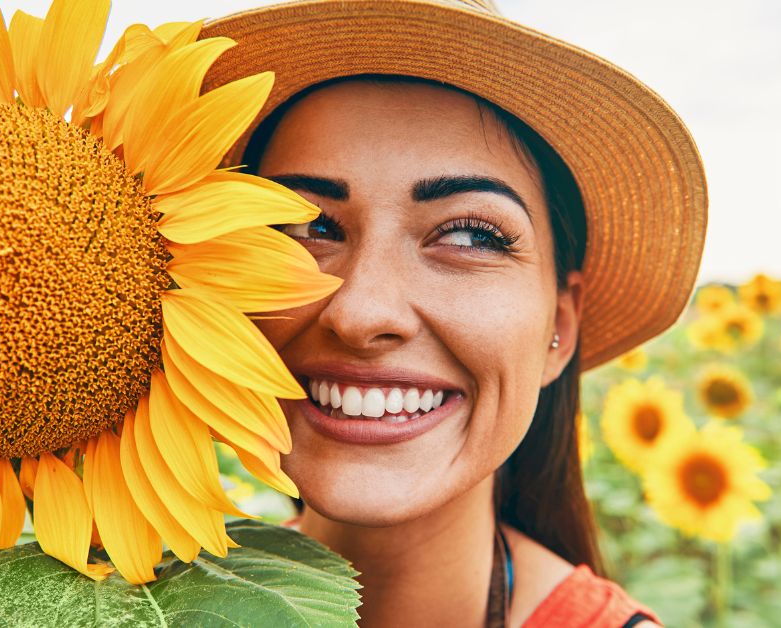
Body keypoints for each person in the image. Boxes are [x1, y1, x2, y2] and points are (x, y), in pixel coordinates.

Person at [200, 1, 707, 625]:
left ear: (561, 326)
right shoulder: (152, 598)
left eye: (468, 236)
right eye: (306, 227)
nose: (361, 312)